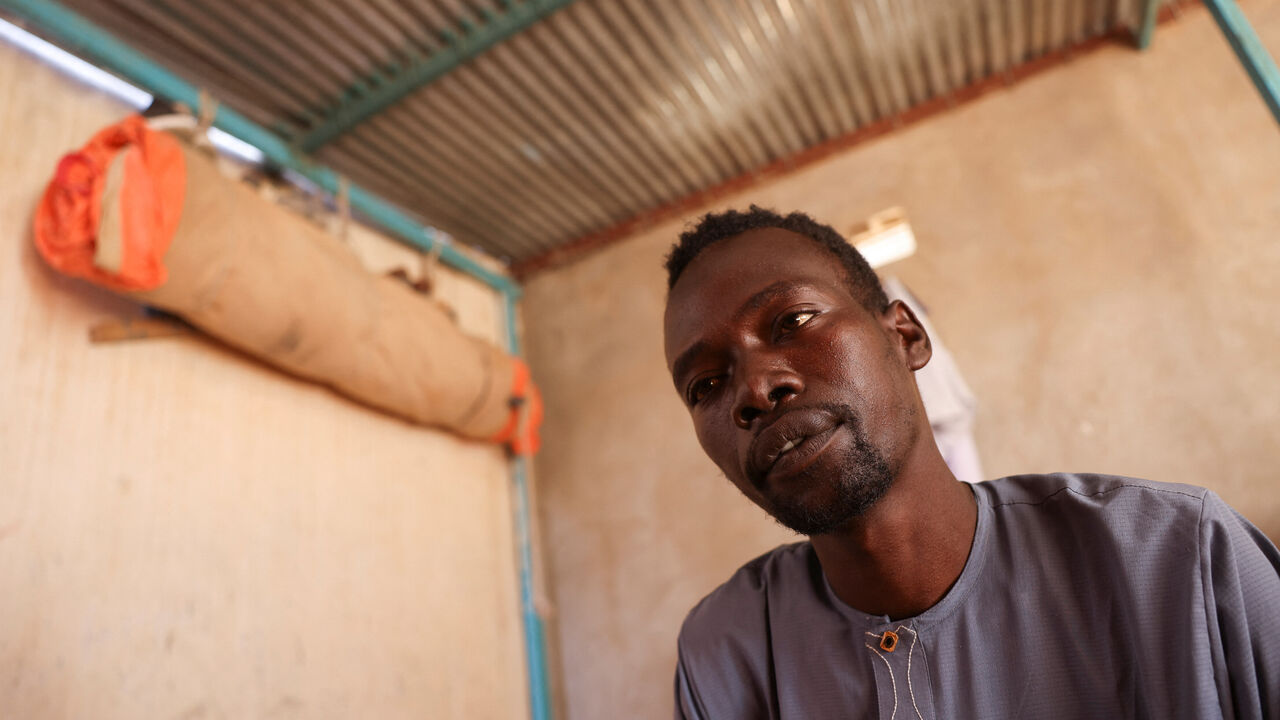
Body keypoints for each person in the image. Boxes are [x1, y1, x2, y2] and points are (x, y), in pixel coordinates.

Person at [662, 206, 1280, 719]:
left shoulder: (1182, 559)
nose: (753, 389)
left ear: (906, 336)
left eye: (794, 320)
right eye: (705, 384)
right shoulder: (726, 655)